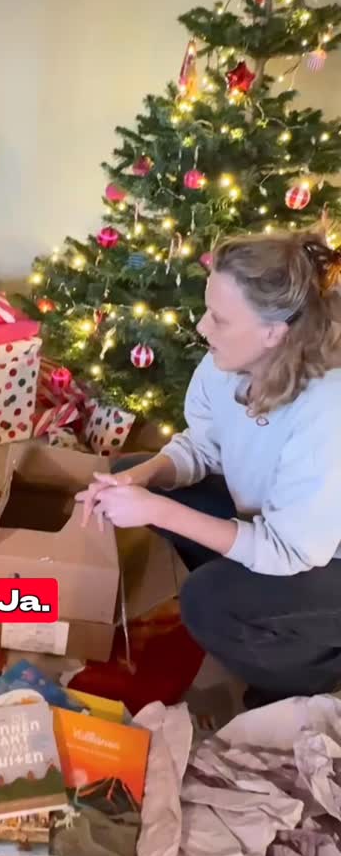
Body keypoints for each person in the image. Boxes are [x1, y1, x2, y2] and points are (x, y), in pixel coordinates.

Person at [78, 229, 341, 708]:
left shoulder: (326, 407)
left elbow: (289, 549)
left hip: (323, 558)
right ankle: (249, 589)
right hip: (274, 526)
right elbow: (201, 447)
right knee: (137, 465)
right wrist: (140, 480)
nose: (202, 328)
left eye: (219, 319)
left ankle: (311, 669)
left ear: (274, 331)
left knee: (207, 600)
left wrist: (157, 510)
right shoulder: (225, 365)